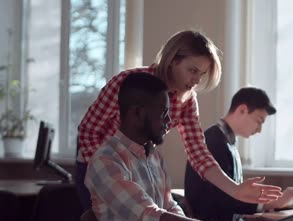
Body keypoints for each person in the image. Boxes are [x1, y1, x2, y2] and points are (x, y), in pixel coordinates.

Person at [76, 29, 282, 210]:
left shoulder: (187, 100)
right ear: (173, 60)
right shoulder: (127, 83)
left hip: (138, 168)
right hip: (95, 164)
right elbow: (88, 130)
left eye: (201, 74)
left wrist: (235, 190)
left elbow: (198, 152)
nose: (196, 81)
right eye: (192, 70)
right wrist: (105, 171)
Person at [84, 73, 270, 221]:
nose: (169, 120)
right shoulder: (106, 162)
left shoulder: (153, 156)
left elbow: (171, 209)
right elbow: (157, 220)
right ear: (137, 113)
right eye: (163, 112)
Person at [185, 87, 293, 221]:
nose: (259, 130)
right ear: (242, 110)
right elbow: (220, 200)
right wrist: (268, 204)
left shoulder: (227, 142)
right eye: (259, 120)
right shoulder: (214, 142)